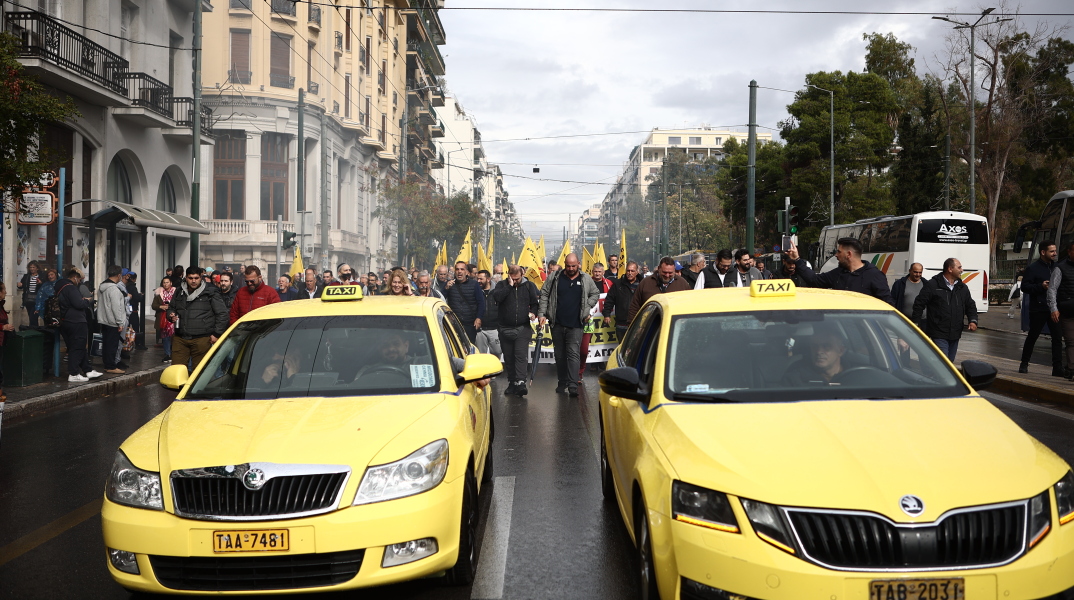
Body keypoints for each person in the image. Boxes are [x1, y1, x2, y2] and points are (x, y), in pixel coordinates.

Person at [538, 253, 599, 397]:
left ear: (578, 263)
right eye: (568, 266)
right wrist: (542, 314)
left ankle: (572, 384)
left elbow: (595, 293)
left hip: (576, 324)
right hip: (557, 323)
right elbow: (545, 293)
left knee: (573, 354)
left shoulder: (585, 278)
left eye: (573, 265)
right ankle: (562, 381)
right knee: (559, 355)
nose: (571, 268)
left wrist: (587, 307)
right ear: (564, 264)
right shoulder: (555, 277)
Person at [786, 238, 893, 304]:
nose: (836, 255)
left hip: (864, 333)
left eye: (839, 252)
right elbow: (814, 280)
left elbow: (887, 306)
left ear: (849, 254)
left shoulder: (874, 276)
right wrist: (797, 260)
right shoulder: (838, 273)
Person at [912, 258, 978, 361]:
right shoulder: (933, 285)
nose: (962, 270)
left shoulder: (962, 287)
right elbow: (919, 304)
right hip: (938, 333)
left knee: (949, 363)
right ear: (950, 269)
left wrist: (973, 320)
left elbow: (970, 305)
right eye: (959, 267)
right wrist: (917, 323)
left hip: (955, 334)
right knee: (944, 363)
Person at [168, 267, 229, 372]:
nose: (193, 281)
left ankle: (195, 389)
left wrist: (216, 334)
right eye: (190, 278)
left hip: (202, 338)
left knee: (199, 372)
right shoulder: (179, 290)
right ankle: (180, 389)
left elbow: (222, 314)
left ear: (201, 277)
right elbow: (171, 308)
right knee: (176, 371)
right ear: (186, 278)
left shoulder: (210, 291)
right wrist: (170, 315)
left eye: (196, 278)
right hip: (180, 337)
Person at [494, 265, 540, 396]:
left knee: (520, 355)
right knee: (509, 357)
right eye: (512, 278)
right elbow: (497, 298)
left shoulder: (529, 286)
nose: (515, 281)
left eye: (517, 279)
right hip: (505, 328)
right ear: (508, 275)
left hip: (522, 327)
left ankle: (520, 382)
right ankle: (512, 382)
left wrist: (533, 313)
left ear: (523, 275)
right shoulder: (502, 285)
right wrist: (509, 286)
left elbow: (535, 303)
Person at [1019, 242, 1063, 375]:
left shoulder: (1058, 267)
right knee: (1033, 336)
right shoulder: (1033, 268)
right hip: (1039, 308)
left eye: (1055, 251)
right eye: (1052, 251)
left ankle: (1057, 368)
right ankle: (1024, 363)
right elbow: (1025, 287)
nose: (1055, 254)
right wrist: (1040, 286)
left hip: (1054, 308)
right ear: (1043, 252)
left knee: (1057, 338)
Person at [55, 268, 100, 382]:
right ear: (75, 277)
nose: (79, 282)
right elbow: (79, 304)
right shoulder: (70, 288)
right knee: (77, 347)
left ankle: (88, 370)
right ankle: (74, 373)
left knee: (77, 346)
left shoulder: (60, 287)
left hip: (66, 321)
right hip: (76, 321)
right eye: (79, 279)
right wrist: (88, 300)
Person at [627, 256, 691, 323]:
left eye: (670, 273)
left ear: (674, 270)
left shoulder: (683, 284)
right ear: (659, 269)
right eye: (664, 272)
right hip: (649, 327)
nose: (667, 275)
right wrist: (633, 327)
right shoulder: (645, 283)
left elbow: (690, 306)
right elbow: (634, 307)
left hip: (675, 327)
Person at [578, 262, 614, 380]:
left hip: (603, 318)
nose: (597, 274)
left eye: (600, 272)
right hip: (589, 320)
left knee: (602, 339)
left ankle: (600, 362)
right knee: (586, 344)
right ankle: (585, 367)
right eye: (595, 271)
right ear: (592, 272)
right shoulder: (587, 283)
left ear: (603, 272)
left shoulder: (609, 284)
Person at [783, 328, 849, 385]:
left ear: (840, 351)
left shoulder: (855, 374)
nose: (818, 351)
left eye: (826, 346)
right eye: (814, 346)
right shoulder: (795, 377)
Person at [1048, 242, 1074, 379]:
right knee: (1071, 341)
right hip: (1068, 311)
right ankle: (1071, 368)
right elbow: (1052, 289)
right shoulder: (1060, 268)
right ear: (1069, 252)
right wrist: (1054, 308)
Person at [444, 261, 486, 344]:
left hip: (470, 324)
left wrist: (479, 318)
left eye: (462, 269)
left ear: (466, 272)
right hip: (454, 324)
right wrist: (446, 288)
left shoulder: (474, 285)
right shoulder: (449, 284)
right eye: (457, 269)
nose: (459, 271)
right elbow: (440, 299)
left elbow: (481, 303)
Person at [96, 266, 128, 374]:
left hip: (104, 320)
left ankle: (107, 364)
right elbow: (116, 307)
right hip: (112, 322)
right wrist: (120, 322)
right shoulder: (114, 289)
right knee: (112, 345)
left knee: (106, 344)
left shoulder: (102, 287)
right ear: (119, 275)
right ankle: (110, 366)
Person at [603, 260, 642, 342]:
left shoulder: (643, 284)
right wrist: (606, 314)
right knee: (622, 349)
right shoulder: (618, 284)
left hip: (639, 323)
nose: (630, 273)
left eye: (632, 271)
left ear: (637, 272)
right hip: (622, 324)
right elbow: (609, 300)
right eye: (628, 270)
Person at [475, 269, 501, 356]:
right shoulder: (475, 291)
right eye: (477, 279)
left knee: (497, 352)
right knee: (481, 355)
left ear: (488, 279)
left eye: (481, 279)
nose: (479, 281)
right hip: (480, 330)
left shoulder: (498, 290)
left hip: (495, 328)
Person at [152, 277, 177, 363]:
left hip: (174, 318)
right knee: (165, 337)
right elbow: (154, 305)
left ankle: (174, 354)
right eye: (164, 282)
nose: (165, 284)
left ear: (171, 283)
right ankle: (168, 354)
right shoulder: (158, 293)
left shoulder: (176, 292)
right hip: (163, 318)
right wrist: (161, 306)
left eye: (167, 282)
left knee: (174, 337)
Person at [18, 260, 42, 326]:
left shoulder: (41, 276)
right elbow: (22, 286)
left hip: (37, 300)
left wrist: (40, 283)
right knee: (31, 316)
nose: (32, 269)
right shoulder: (26, 276)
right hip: (28, 299)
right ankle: (34, 330)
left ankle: (34, 331)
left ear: (37, 268)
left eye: (33, 267)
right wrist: (19, 285)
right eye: (30, 267)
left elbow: (44, 287)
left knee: (33, 317)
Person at [0, 283, 14, 399]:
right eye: (3, 289)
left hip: (2, 340)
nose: (5, 292)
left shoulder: (1, 305)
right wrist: (3, 327)